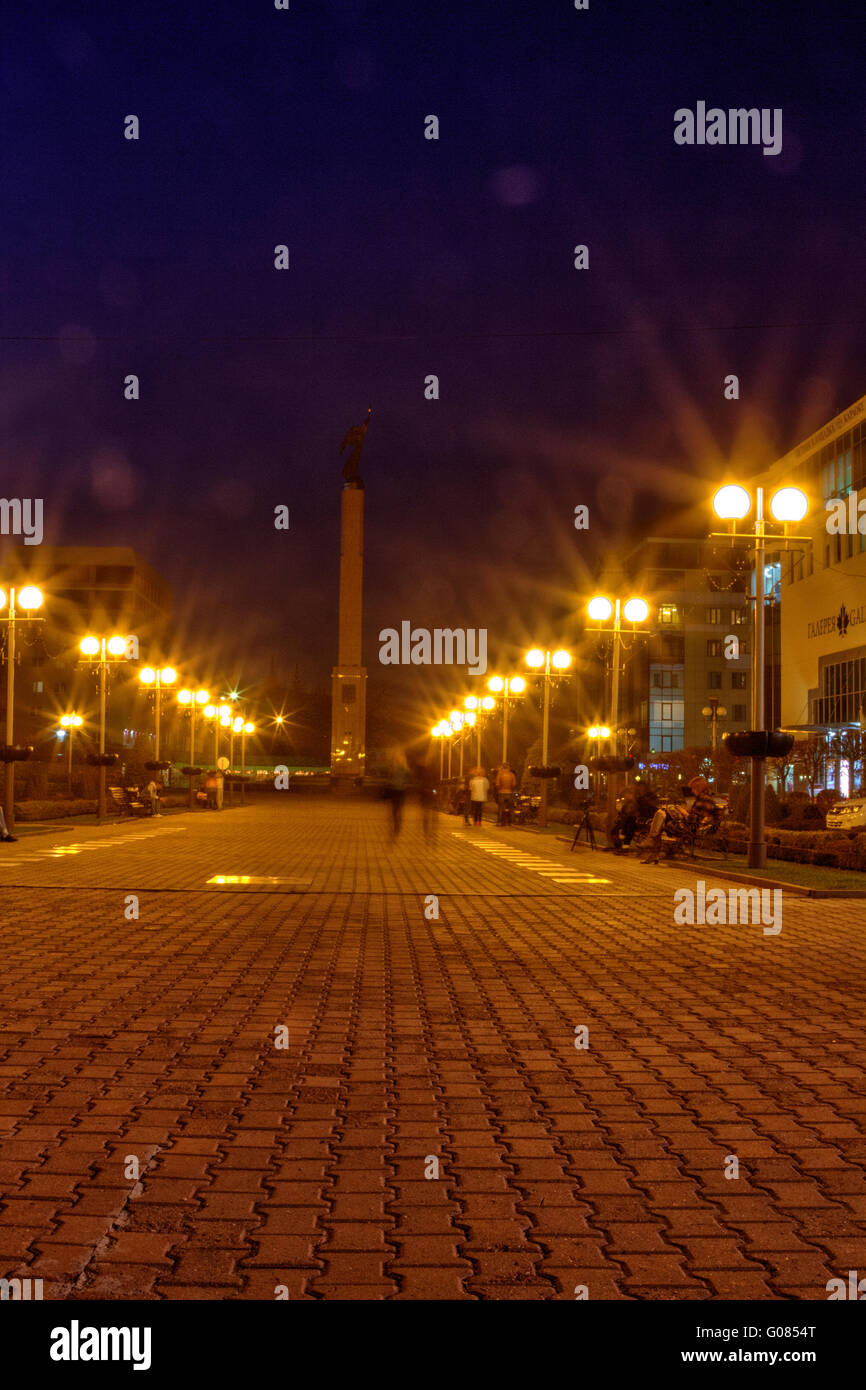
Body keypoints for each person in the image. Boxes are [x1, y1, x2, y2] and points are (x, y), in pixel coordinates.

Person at [384, 748, 410, 835]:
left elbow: (407, 777)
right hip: (395, 789)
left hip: (400, 790)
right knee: (395, 810)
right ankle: (396, 825)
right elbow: (390, 777)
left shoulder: (402, 767)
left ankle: (398, 825)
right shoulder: (395, 766)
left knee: (398, 809)